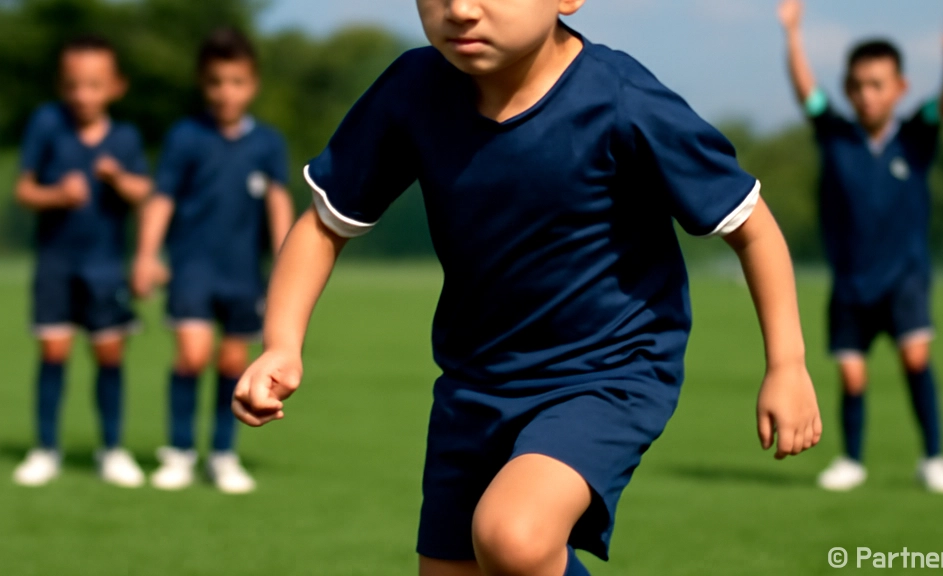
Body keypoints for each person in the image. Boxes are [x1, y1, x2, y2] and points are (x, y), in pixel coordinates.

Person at [235, 1, 821, 574]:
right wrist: (282, 344)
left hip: (607, 373)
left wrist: (787, 364)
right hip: (475, 383)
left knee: (513, 537)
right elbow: (323, 224)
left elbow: (753, 228)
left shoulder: (622, 99)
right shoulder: (412, 89)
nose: (460, 9)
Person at [778, 0, 943, 494]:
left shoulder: (915, 137)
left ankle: (933, 458)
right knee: (852, 378)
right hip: (851, 282)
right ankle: (851, 460)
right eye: (858, 86)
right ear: (848, 89)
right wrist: (793, 34)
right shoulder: (836, 136)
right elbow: (808, 94)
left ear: (899, 88)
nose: (866, 95)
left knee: (915, 362)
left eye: (877, 85)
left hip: (905, 278)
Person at [133, 27, 294, 494]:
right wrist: (146, 255)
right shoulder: (185, 136)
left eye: (237, 81)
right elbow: (161, 200)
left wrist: (287, 265)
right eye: (217, 82)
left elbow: (278, 205)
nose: (227, 92)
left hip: (243, 272)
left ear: (253, 84)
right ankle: (180, 452)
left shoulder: (268, 143)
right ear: (204, 85)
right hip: (192, 269)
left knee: (232, 364)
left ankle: (223, 455)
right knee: (191, 356)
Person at [12, 36, 152, 488]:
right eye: (73, 85)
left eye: (93, 85)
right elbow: (23, 190)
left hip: (105, 266)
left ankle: (112, 450)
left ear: (115, 87)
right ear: (61, 85)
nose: (82, 95)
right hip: (55, 262)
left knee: (108, 356)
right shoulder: (46, 124)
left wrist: (117, 178)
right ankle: (45, 449)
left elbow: (144, 194)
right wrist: (57, 194)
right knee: (53, 353)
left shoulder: (126, 138)